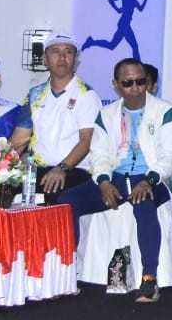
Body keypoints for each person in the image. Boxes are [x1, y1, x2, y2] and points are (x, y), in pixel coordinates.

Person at [85, 58, 172, 304]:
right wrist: (104, 182)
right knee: (69, 201)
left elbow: (170, 157)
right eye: (128, 83)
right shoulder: (106, 114)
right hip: (117, 177)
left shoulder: (166, 111)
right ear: (116, 85)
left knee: (143, 205)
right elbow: (99, 155)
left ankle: (149, 278)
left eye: (141, 81)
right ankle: (64, 274)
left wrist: (149, 181)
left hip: (156, 178)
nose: (136, 88)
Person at [8, 34, 108, 242]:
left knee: (57, 198)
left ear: (75, 60)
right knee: (3, 193)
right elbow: (19, 140)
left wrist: (62, 168)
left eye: (68, 52)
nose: (62, 57)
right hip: (38, 170)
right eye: (55, 52)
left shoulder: (86, 95)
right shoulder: (34, 94)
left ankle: (63, 258)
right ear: (45, 60)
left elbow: (86, 141)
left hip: (74, 170)